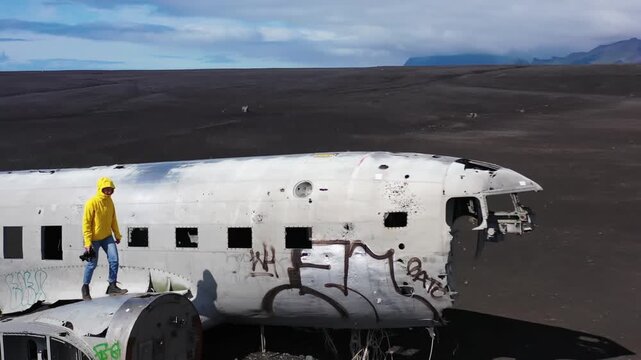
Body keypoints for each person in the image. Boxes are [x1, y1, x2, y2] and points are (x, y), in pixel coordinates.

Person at [81, 177, 127, 300]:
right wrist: (87, 242)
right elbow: (86, 223)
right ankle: (85, 287)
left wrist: (117, 234)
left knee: (114, 260)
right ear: (101, 189)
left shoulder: (110, 202)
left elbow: (113, 220)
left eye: (110, 189)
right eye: (106, 189)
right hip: (93, 239)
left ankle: (112, 285)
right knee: (92, 264)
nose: (108, 191)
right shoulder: (92, 202)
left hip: (107, 237)